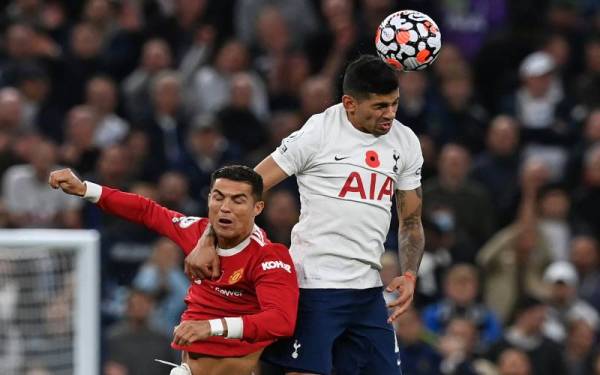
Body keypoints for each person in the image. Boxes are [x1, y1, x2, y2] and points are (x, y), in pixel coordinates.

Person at [187, 55, 425, 374]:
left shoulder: (405, 141)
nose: (390, 115)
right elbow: (245, 187)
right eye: (380, 106)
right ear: (350, 103)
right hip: (313, 285)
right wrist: (207, 240)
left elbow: (410, 220)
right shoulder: (319, 133)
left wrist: (409, 274)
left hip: (368, 291)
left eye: (395, 104)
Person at [48, 165, 299, 375]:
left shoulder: (269, 256)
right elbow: (146, 210)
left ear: (258, 208)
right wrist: (85, 189)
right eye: (218, 196)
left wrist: (211, 326)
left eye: (238, 200)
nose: (225, 207)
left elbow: (281, 321)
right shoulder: (196, 232)